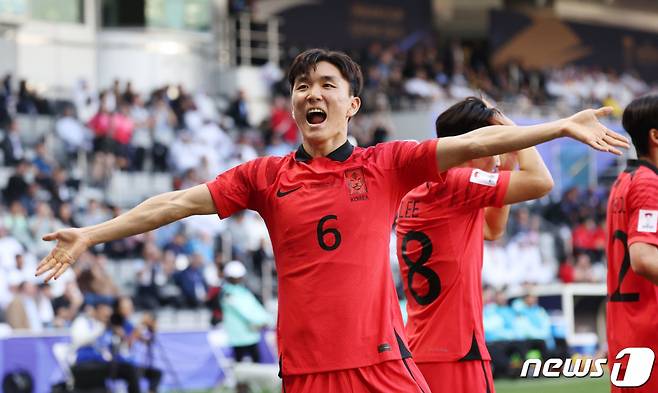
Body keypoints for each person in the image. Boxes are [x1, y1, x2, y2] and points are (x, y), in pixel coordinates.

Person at [36, 48, 627, 392]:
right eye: (301, 85)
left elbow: (472, 148)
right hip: (308, 370)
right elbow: (172, 204)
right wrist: (92, 233)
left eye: (326, 84)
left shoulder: (388, 164)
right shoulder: (264, 177)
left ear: (352, 104)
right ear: (292, 103)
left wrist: (559, 125)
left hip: (383, 363)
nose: (310, 93)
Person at [395, 97, 553, 392]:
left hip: (423, 348)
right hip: (456, 351)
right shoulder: (458, 182)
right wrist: (517, 133)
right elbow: (540, 182)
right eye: (493, 147)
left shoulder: (419, 190)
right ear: (473, 145)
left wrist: (503, 162)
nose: (495, 158)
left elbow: (492, 229)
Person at [606, 94, 658, 393]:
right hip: (648, 332)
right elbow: (643, 259)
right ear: (655, 136)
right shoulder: (649, 184)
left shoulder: (624, 181)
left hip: (627, 333)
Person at [221, 260, 273, 363]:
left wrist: (267, 320)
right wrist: (265, 321)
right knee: (241, 366)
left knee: (254, 362)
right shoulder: (228, 294)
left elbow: (255, 308)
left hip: (250, 335)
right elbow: (246, 311)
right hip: (239, 337)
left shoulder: (242, 291)